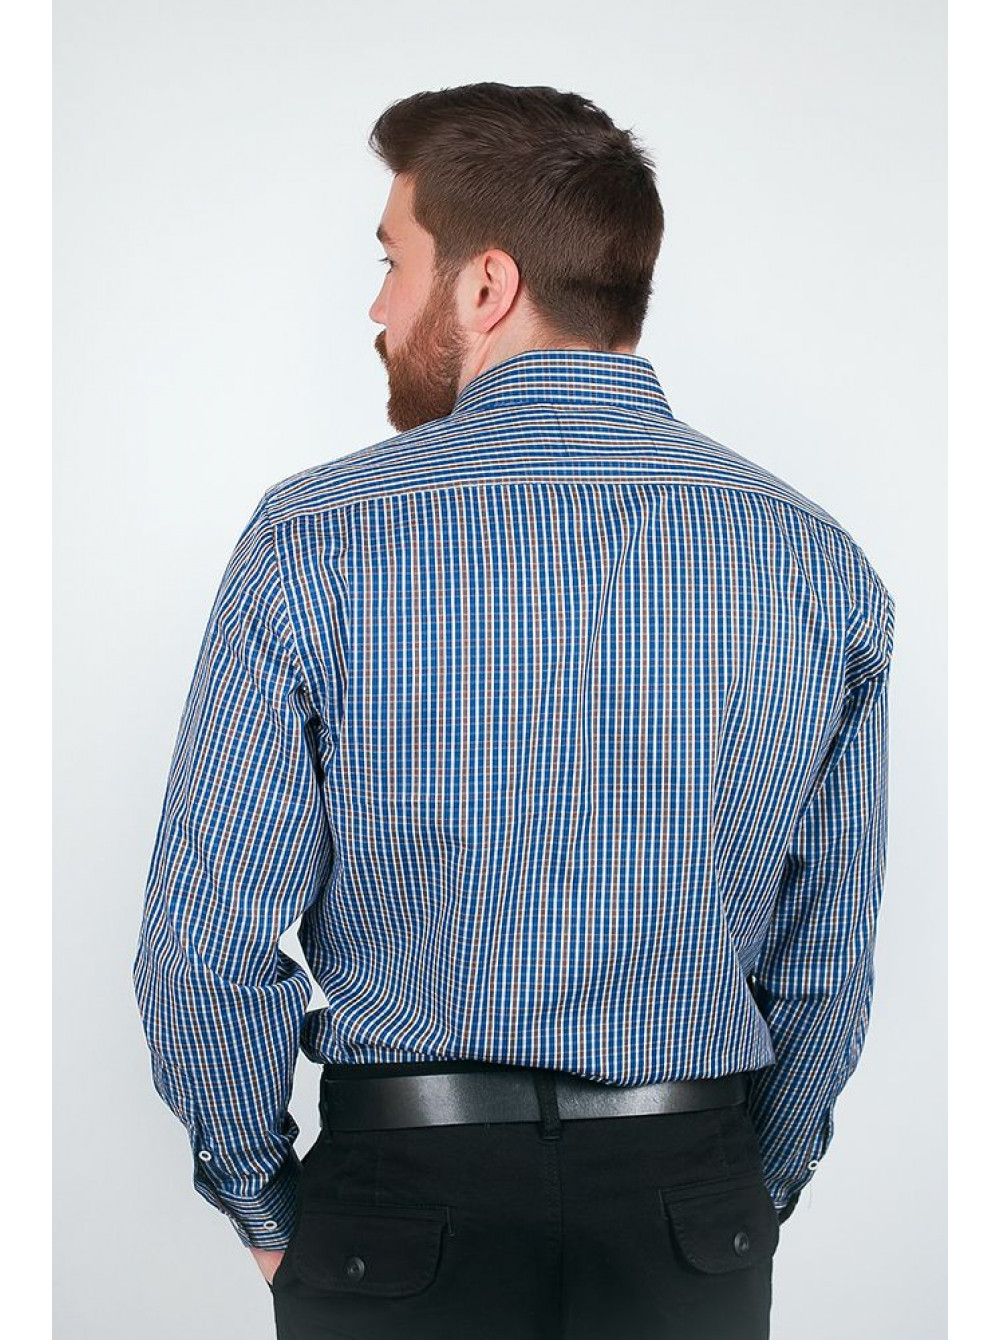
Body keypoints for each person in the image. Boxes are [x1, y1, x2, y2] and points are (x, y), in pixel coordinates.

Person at [132, 82, 896, 1340]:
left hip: (398, 1214)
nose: (378, 308)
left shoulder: (315, 537)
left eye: (392, 262)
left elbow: (201, 946)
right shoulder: (816, 561)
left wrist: (262, 1199)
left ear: (487, 285)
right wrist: (741, 1191)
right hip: (687, 1203)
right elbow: (826, 962)